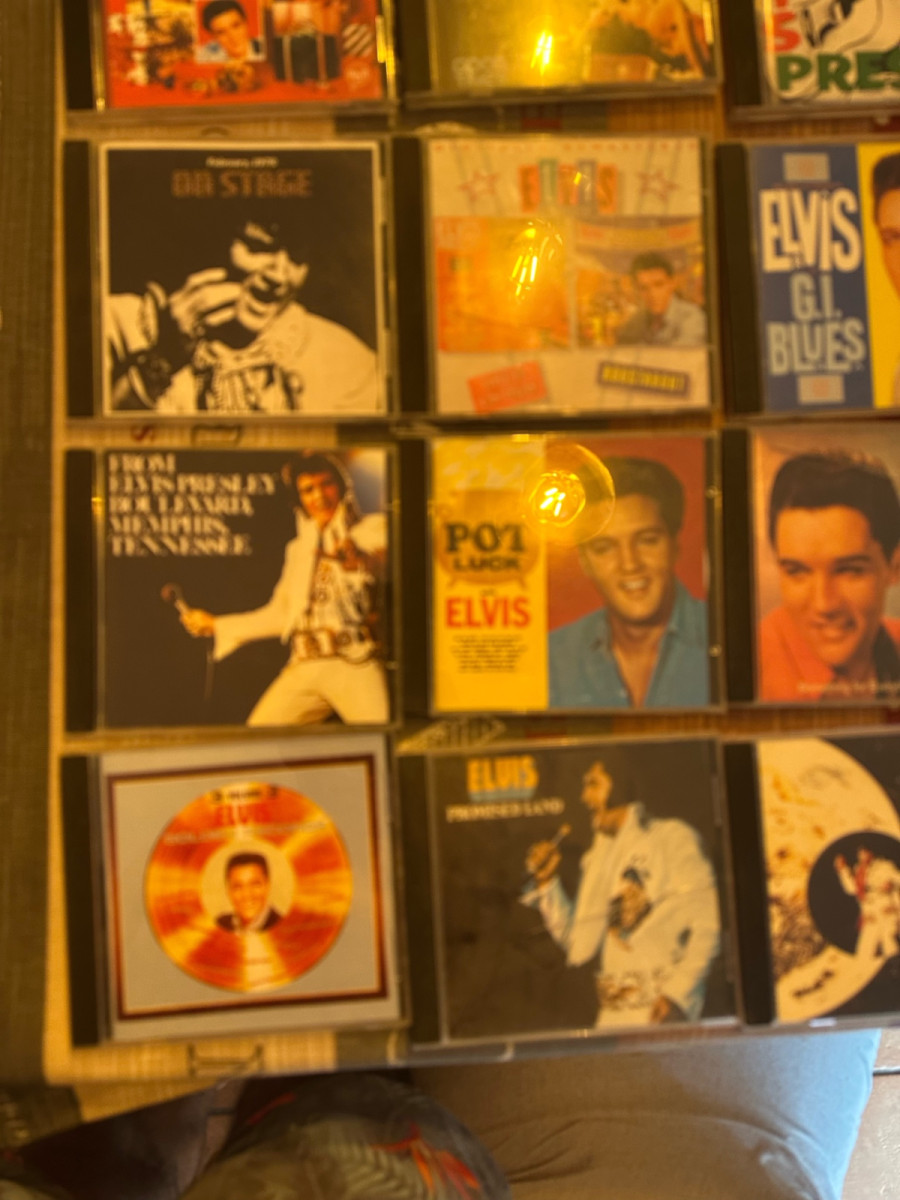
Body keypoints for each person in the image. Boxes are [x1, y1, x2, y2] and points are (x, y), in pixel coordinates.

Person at [178, 451, 390, 726]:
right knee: (257, 737)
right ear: (299, 499)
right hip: (304, 664)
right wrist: (216, 625)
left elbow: (378, 559)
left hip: (354, 662)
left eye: (326, 484)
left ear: (341, 487)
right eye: (308, 490)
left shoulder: (373, 528)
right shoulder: (298, 550)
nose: (319, 496)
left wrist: (358, 559)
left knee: (382, 736)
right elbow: (279, 615)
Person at [521, 757, 721, 1027]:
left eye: (593, 785)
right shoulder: (597, 859)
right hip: (612, 1020)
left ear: (620, 785)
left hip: (662, 1016)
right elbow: (577, 945)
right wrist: (547, 885)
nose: (584, 797)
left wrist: (677, 995)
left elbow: (709, 924)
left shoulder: (672, 838)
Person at [105, 218, 379, 414]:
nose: (279, 276)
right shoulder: (116, 323)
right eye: (258, 246)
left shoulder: (347, 362)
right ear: (212, 237)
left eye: (297, 256)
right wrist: (163, 359)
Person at [548, 456, 709, 709]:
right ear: (584, 561)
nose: (630, 564)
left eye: (647, 540)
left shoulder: (726, 637)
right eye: (604, 547)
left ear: (674, 546)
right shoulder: (552, 658)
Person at [758, 450, 900, 702]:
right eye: (797, 571)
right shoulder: (752, 670)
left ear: (895, 567)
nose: (824, 605)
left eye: (850, 570)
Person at [614, 251, 706, 347]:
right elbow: (622, 348)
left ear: (672, 283)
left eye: (659, 285)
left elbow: (679, 355)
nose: (652, 294)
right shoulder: (636, 320)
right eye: (643, 288)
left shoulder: (692, 317)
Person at [835, 847, 900, 961]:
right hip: (871, 916)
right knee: (865, 950)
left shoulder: (884, 866)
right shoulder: (859, 870)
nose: (863, 855)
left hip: (887, 911)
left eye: (865, 852)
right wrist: (843, 870)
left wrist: (892, 885)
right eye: (860, 853)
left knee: (890, 942)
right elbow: (852, 889)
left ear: (871, 852)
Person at [215, 851, 282, 933]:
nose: (247, 894)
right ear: (229, 890)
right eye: (237, 886)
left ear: (267, 886)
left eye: (255, 884)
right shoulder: (220, 924)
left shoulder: (281, 923)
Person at [196, 0, 263, 62]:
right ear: (213, 36)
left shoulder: (264, 47)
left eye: (236, 26)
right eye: (221, 32)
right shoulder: (206, 57)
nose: (232, 36)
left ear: (246, 23)